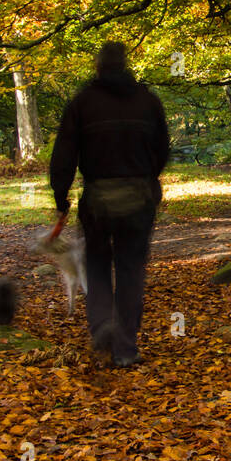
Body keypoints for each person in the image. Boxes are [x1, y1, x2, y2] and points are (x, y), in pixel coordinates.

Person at [49, 40, 170, 366]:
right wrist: (146, 178)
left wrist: (62, 198)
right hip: (138, 199)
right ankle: (126, 348)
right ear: (126, 65)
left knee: (99, 267)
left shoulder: (82, 103)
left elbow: (63, 155)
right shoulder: (148, 101)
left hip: (98, 201)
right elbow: (163, 150)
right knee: (131, 271)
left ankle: (102, 328)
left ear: (98, 67)